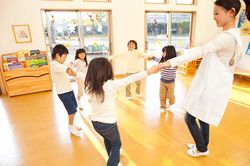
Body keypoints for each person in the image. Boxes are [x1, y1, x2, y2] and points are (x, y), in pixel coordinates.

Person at [159, 0, 250, 157]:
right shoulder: (233, 35)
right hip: (214, 83)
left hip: (211, 85)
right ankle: (202, 144)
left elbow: (202, 50)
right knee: (203, 115)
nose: (214, 18)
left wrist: (169, 62)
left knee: (189, 116)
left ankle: (201, 147)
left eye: (216, 13)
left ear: (231, 12)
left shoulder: (227, 37)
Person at [84, 57, 159, 166]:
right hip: (108, 124)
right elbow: (130, 79)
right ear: (107, 71)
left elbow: (81, 76)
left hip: (95, 123)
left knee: (107, 139)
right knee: (116, 145)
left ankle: (113, 158)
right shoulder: (110, 86)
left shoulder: (89, 85)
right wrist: (148, 72)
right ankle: (113, 162)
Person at [51, 44, 82, 136]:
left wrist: (72, 68)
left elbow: (68, 65)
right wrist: (70, 70)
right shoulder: (54, 64)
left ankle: (72, 124)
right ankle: (70, 126)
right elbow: (65, 69)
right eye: (64, 56)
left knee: (74, 108)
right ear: (57, 55)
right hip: (63, 93)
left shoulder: (61, 62)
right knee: (71, 111)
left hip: (69, 90)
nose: (65, 58)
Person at [147, 45, 177, 113]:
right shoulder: (162, 60)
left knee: (170, 95)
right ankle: (162, 106)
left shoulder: (174, 62)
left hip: (171, 83)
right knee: (162, 95)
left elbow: (180, 59)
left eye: (164, 52)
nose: (163, 54)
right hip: (162, 82)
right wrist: (152, 57)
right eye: (162, 52)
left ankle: (172, 101)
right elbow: (157, 59)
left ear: (170, 53)